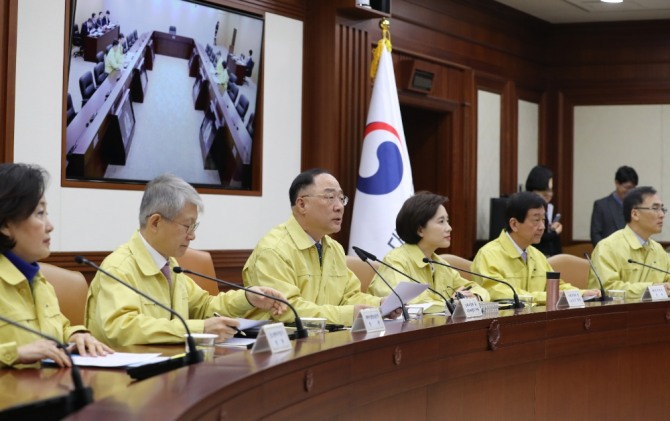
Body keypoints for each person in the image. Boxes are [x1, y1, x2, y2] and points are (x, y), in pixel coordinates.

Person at [85, 173, 288, 347]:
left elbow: (204, 306)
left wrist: (247, 298)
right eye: (187, 226)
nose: (192, 236)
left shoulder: (170, 265)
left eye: (194, 227)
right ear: (155, 222)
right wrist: (197, 329)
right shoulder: (119, 268)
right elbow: (121, 329)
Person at [243, 168, 398, 325]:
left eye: (341, 198)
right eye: (330, 197)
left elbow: (348, 297)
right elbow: (286, 310)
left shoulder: (333, 248)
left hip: (323, 336)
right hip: (278, 341)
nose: (339, 207)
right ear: (302, 204)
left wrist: (380, 304)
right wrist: (349, 314)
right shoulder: (274, 249)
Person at [0, 163, 112, 367]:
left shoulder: (37, 279)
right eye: (39, 213)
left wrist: (76, 336)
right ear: (6, 225)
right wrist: (14, 353)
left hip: (48, 391)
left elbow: (58, 327)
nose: (50, 226)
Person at [367, 192, 489, 313]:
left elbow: (478, 289)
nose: (449, 228)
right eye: (441, 221)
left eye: (447, 221)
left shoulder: (439, 263)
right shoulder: (395, 260)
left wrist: (473, 297)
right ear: (420, 230)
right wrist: (451, 303)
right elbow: (408, 303)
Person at [471, 191, 600, 305]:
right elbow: (501, 295)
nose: (542, 227)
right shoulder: (488, 256)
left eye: (543, 220)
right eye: (536, 220)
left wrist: (582, 293)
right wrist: (548, 297)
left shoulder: (537, 255)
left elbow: (556, 287)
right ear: (514, 224)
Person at [588, 186, 670, 300]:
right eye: (655, 208)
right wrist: (652, 289)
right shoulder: (607, 247)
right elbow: (607, 290)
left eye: (662, 209)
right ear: (635, 214)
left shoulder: (658, 250)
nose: (662, 214)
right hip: (618, 316)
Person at [590, 165, 638, 246]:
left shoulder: (638, 206)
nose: (630, 191)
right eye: (627, 187)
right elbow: (595, 235)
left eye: (633, 188)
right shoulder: (601, 205)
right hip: (608, 254)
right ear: (617, 183)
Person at [525, 165, 562, 257]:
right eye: (546, 191)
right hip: (534, 255)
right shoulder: (527, 206)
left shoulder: (549, 207)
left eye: (551, 190)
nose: (549, 194)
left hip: (552, 256)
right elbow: (533, 236)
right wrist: (554, 232)